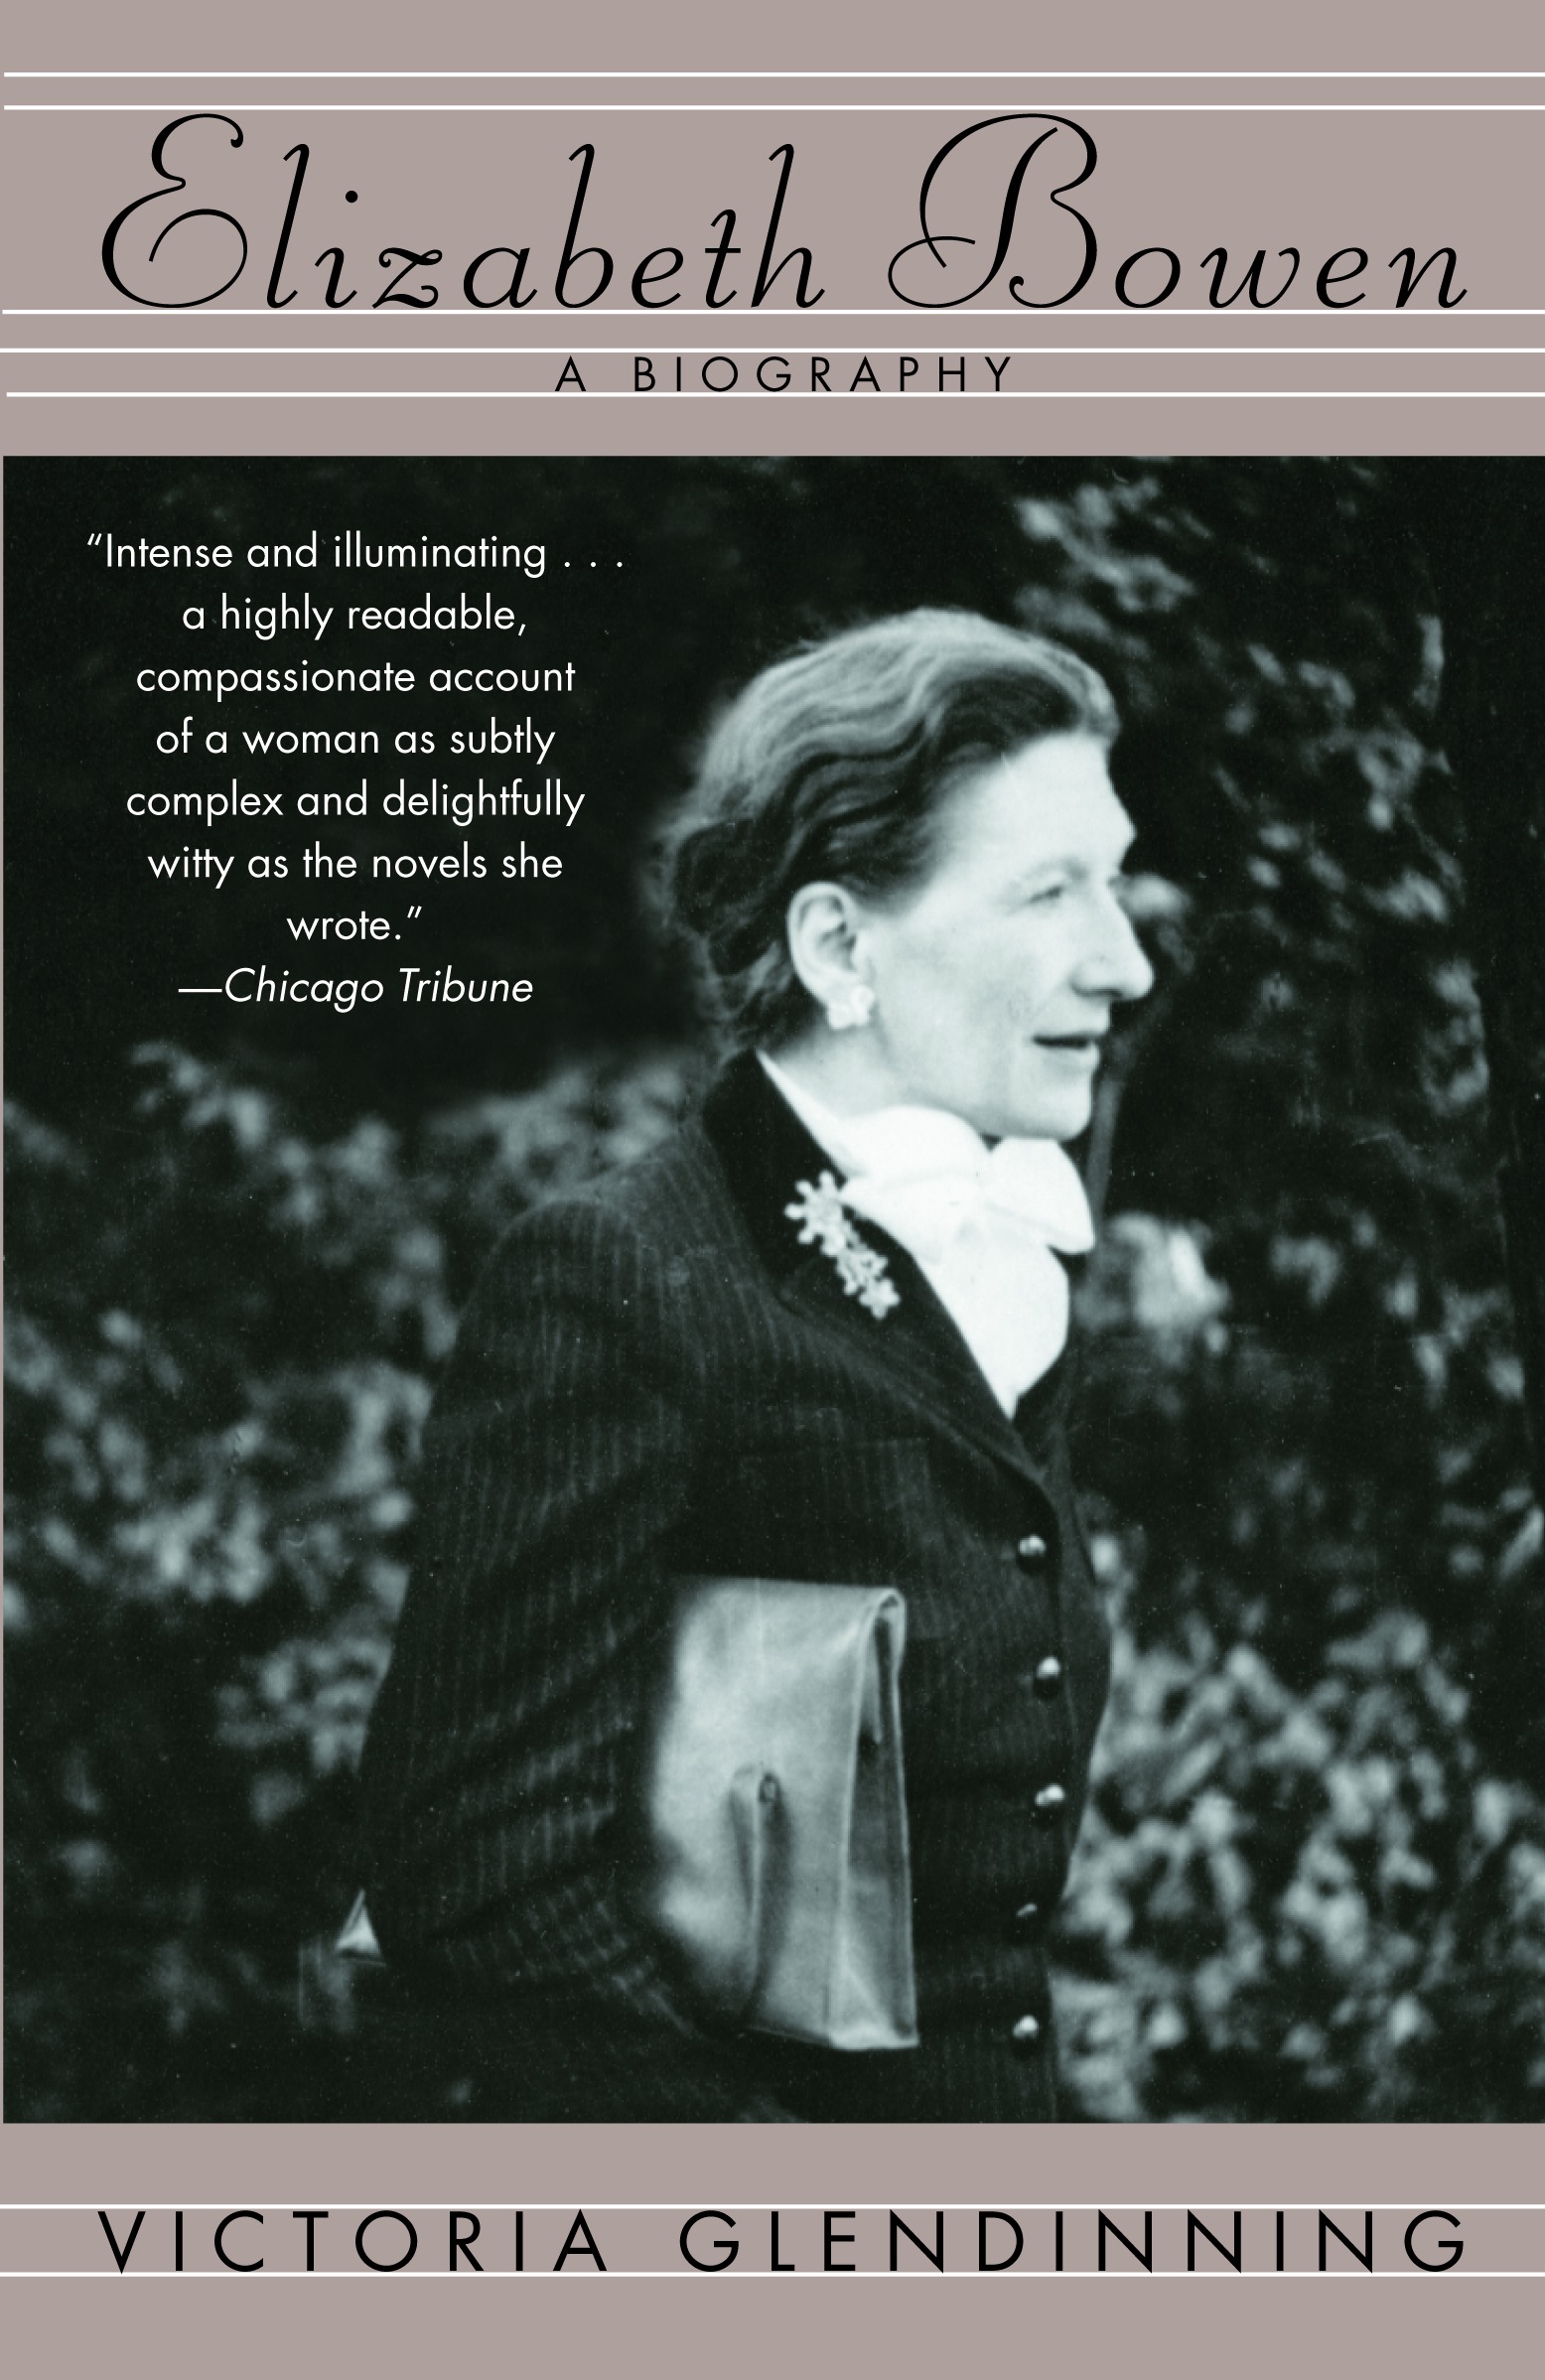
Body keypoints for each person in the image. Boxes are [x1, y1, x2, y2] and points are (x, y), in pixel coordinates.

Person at [360, 608, 1155, 2120]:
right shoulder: (625, 1278)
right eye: (1050, 892)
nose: (1123, 962)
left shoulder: (1003, 1266)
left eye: (1111, 882)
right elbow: (476, 1878)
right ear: (839, 944)